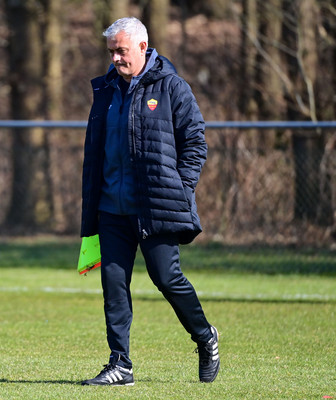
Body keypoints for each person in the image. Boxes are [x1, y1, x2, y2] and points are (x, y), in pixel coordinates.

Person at [80, 17, 219, 385]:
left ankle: (205, 337)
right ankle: (120, 364)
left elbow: (195, 142)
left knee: (167, 278)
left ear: (143, 47)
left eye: (121, 50)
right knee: (113, 284)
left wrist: (181, 187)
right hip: (111, 208)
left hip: (155, 206)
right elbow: (97, 151)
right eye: (111, 51)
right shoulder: (106, 90)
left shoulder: (172, 87)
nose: (115, 58)